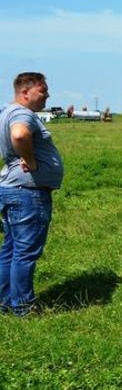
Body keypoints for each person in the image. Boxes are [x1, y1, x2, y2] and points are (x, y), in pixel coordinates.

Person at [1, 73, 64, 315]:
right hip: (28, 192)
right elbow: (19, 134)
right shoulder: (22, 114)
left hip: (11, 189)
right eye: (43, 90)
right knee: (25, 253)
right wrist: (30, 160)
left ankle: (5, 302)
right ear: (25, 92)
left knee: (11, 249)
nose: (47, 95)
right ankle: (24, 308)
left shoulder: (5, 111)